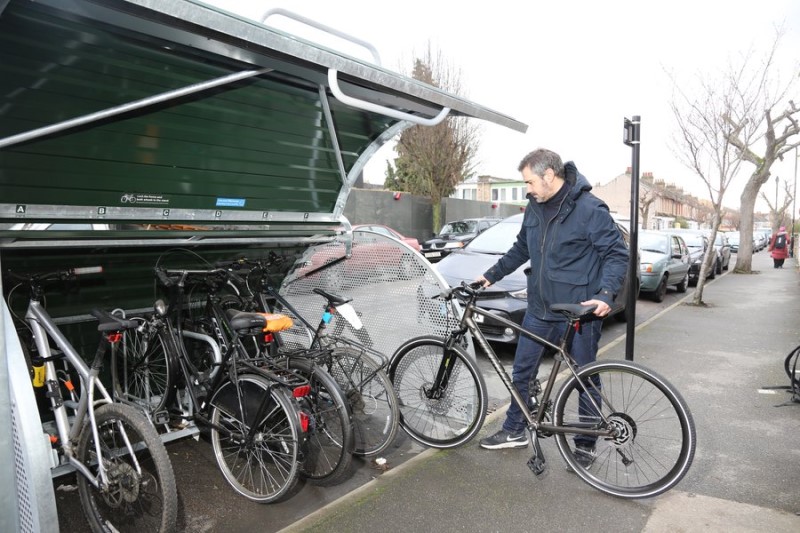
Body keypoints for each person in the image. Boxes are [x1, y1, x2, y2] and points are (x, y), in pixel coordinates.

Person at [475, 148, 629, 468]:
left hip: (578, 311)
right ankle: (515, 429)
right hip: (539, 307)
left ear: (549, 176)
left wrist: (605, 294)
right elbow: (521, 249)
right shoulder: (535, 207)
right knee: (522, 371)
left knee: (585, 378)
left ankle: (585, 443)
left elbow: (617, 254)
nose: (527, 189)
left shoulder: (589, 209)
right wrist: (489, 277)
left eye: (530, 182)